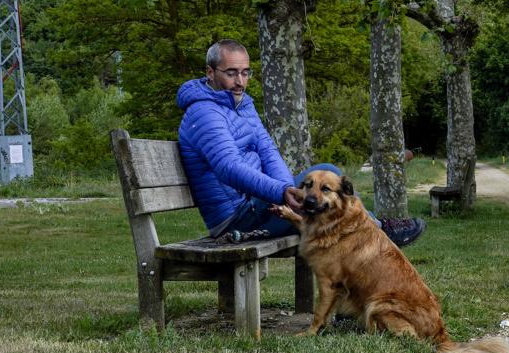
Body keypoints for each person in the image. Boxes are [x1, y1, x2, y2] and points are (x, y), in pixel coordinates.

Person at [176, 39, 425, 246]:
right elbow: (228, 167)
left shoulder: (242, 104)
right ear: (210, 72)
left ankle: (376, 232)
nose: (240, 81)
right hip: (235, 220)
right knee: (332, 201)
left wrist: (286, 187)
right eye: (231, 73)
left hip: (257, 206)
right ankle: (380, 231)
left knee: (329, 182)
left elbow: (268, 151)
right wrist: (281, 192)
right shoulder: (204, 112)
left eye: (245, 72)